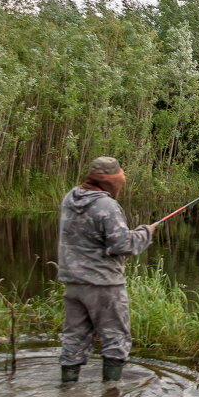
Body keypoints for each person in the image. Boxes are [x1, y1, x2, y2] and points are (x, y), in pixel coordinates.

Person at [57, 156, 155, 382]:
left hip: (73, 283)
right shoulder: (107, 205)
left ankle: (68, 394)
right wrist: (145, 232)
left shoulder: (69, 199)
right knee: (116, 340)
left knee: (74, 340)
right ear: (110, 180)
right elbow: (122, 245)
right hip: (104, 284)